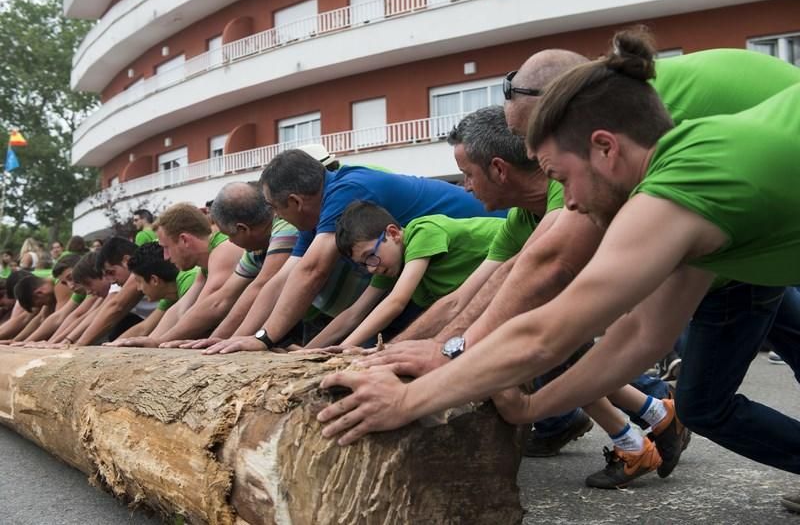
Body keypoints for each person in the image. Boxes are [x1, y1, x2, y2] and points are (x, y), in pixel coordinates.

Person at [316, 30, 800, 496]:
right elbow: (640, 337)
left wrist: (408, 400)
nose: (565, 203)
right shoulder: (688, 172)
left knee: (706, 401)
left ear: (605, 147)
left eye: (559, 177)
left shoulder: (683, 189)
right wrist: (530, 406)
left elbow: (544, 335)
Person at [204, 148, 504, 354]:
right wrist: (245, 340)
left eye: (275, 208)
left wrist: (265, 338)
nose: (277, 218)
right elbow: (283, 280)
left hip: (495, 245)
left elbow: (312, 272)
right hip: (439, 272)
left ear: (295, 201)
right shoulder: (325, 225)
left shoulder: (347, 190)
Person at [313, 201, 503, 348]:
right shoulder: (388, 264)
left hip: (518, 256)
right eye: (363, 264)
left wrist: (347, 347)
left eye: (370, 256)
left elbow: (396, 302)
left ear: (393, 234)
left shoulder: (423, 232)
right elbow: (355, 313)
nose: (371, 269)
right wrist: (310, 351)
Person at [155, 182, 299, 349]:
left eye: (229, 235)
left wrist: (234, 339)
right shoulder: (255, 248)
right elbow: (220, 300)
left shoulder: (283, 230)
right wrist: (218, 340)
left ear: (242, 229)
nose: (230, 241)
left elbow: (263, 286)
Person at [110, 203, 241, 347]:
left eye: (166, 247)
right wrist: (154, 341)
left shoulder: (223, 250)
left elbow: (214, 306)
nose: (165, 257)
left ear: (184, 240)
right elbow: (185, 310)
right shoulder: (206, 263)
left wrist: (158, 341)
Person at [125, 242, 198, 323]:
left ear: (154, 280)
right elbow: (145, 327)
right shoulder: (170, 293)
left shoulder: (189, 281)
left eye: (139, 281)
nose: (138, 288)